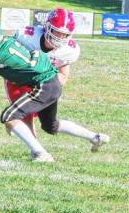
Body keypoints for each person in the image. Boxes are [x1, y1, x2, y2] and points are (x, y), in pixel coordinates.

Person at [0, 20, 110, 162]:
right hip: (50, 81)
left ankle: (41, 153)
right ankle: (95, 137)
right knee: (50, 125)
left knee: (9, 117)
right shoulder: (8, 41)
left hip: (44, 84)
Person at [7, 8, 81, 136]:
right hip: (20, 77)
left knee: (49, 125)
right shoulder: (26, 36)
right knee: (22, 115)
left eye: (64, 34)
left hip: (45, 83)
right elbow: (9, 57)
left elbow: (63, 76)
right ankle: (37, 150)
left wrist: (46, 85)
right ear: (47, 27)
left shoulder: (70, 50)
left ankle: (92, 136)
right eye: (56, 32)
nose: (59, 37)